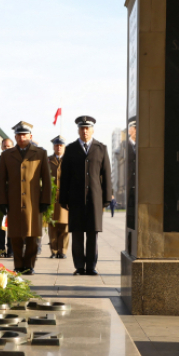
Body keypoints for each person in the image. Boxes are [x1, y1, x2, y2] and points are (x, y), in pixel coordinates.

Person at [60, 115, 112, 276]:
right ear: (78, 130)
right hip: (75, 199)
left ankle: (91, 266)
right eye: (82, 128)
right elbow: (65, 177)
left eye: (87, 128)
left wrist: (107, 198)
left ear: (92, 130)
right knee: (76, 234)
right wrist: (63, 198)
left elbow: (106, 175)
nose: (85, 131)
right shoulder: (70, 149)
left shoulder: (101, 148)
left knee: (92, 234)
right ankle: (79, 266)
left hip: (95, 199)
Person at [0, 121, 51, 275]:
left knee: (32, 235)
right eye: (19, 135)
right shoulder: (7, 154)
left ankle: (29, 265)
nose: (22, 138)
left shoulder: (40, 153)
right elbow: (2, 180)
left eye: (24, 135)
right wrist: (2, 201)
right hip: (13, 201)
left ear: (30, 136)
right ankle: (18, 265)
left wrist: (45, 200)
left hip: (33, 202)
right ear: (15, 137)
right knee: (15, 235)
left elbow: (46, 179)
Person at [47, 135, 69, 259]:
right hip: (52, 200)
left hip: (65, 199)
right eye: (56, 145)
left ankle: (63, 250)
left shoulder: (69, 160)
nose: (58, 147)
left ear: (64, 147)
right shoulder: (48, 160)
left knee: (65, 227)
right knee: (52, 226)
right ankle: (54, 250)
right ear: (53, 147)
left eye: (61, 145)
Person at [0, 137, 14, 257]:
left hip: (12, 199)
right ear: (1, 147)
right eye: (4, 146)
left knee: (11, 226)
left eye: (8, 146)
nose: (6, 148)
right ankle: (1, 249)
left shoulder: (17, 161)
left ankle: (11, 250)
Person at [126, 118, 137, 230]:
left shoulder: (139, 146)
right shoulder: (126, 146)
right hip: (129, 185)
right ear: (130, 131)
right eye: (135, 129)